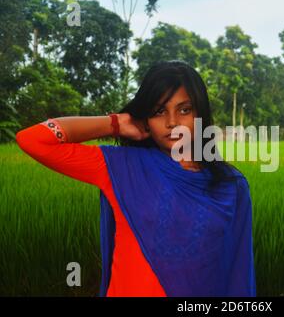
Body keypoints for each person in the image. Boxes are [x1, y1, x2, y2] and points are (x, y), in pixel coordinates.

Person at [15, 60, 257, 297]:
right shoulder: (121, 166)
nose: (172, 122)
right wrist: (115, 123)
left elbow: (238, 272)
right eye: (159, 111)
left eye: (184, 110)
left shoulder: (231, 186)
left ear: (200, 114)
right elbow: (33, 140)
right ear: (145, 118)